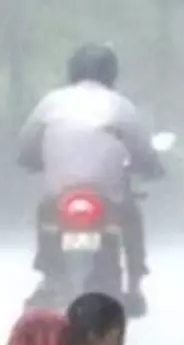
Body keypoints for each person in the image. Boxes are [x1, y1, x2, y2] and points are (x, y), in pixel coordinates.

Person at [18, 43, 163, 310]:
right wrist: (153, 168)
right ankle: (134, 284)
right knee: (131, 217)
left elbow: (27, 143)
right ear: (110, 73)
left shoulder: (51, 102)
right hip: (108, 196)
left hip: (60, 194)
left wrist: (30, 161)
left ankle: (49, 274)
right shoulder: (121, 105)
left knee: (44, 212)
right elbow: (142, 149)